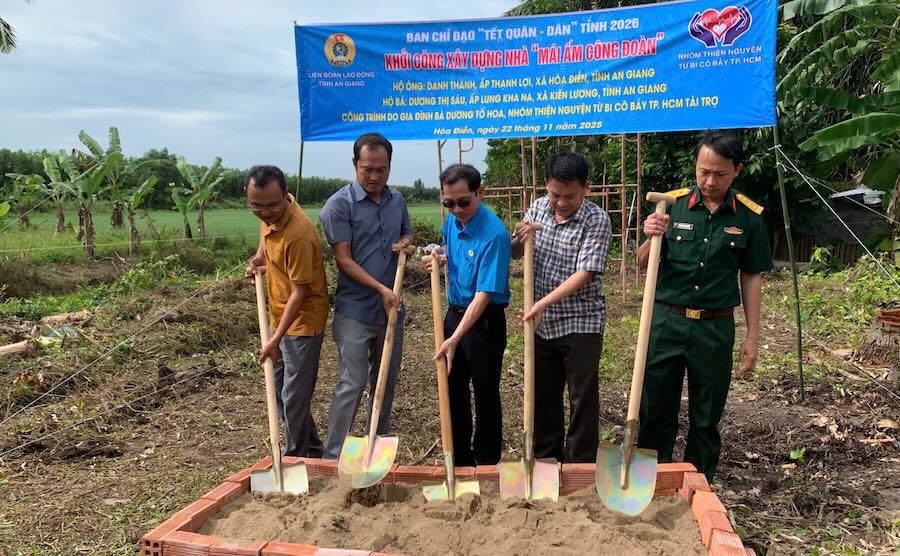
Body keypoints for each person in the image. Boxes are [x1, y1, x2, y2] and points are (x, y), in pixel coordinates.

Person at [636, 131, 772, 481]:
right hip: (667, 321)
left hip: (714, 327)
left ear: (737, 170)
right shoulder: (672, 205)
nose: (709, 181)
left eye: (719, 174)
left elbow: (752, 276)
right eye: (702, 172)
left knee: (707, 413)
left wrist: (752, 336)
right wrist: (652, 235)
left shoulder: (749, 217)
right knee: (655, 408)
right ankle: (652, 480)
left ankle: (698, 484)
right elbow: (642, 262)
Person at [511, 152, 612, 463]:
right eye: (555, 194)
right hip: (542, 323)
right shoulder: (537, 208)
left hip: (581, 323)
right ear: (546, 186)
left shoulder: (597, 220)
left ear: (586, 188)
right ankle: (546, 459)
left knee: (582, 398)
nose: (561, 202)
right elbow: (515, 253)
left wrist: (541, 303)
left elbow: (586, 273)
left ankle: (580, 463)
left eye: (570, 196)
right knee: (543, 395)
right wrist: (518, 238)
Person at [318, 133, 414, 460]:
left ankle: (376, 442)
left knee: (384, 380)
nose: (375, 177)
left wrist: (406, 244)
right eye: (368, 169)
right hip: (355, 311)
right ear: (355, 164)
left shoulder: (396, 200)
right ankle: (334, 454)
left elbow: (406, 232)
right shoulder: (338, 206)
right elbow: (343, 259)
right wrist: (381, 289)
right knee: (353, 381)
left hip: (390, 310)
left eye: (382, 170)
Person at [427, 164, 511, 466]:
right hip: (454, 313)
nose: (457, 209)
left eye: (464, 201)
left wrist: (456, 338)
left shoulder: (495, 235)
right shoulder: (453, 221)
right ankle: (460, 459)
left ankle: (487, 461)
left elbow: (483, 295)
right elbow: (451, 248)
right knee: (453, 388)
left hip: (484, 321)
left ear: (480, 193)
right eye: (449, 203)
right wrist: (439, 254)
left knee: (485, 391)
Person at [244, 165, 329, 457]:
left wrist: (275, 339)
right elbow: (266, 241)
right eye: (256, 206)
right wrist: (257, 260)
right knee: (278, 388)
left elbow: (301, 292)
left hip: (303, 320)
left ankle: (295, 456)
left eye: (271, 206)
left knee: (293, 396)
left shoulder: (299, 233)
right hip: (279, 316)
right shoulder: (270, 215)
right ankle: (314, 448)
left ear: (284, 195)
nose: (265, 212)